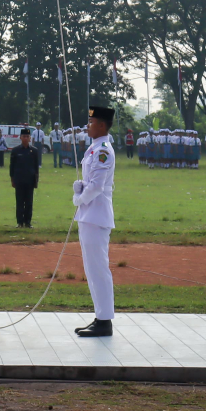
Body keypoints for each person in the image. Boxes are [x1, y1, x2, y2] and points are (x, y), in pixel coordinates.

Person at [73, 105, 116, 337]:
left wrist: (80, 197)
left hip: (96, 214)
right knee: (92, 269)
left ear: (101, 125)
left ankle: (105, 320)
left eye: (91, 123)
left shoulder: (103, 151)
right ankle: (100, 316)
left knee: (99, 269)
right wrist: (81, 191)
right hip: (88, 215)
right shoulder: (94, 148)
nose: (88, 126)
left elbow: (98, 186)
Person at [8, 128, 40, 228]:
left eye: (27, 136)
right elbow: (11, 166)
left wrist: (36, 181)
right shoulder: (15, 151)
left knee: (29, 202)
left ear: (30, 138)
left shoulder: (34, 151)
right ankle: (20, 222)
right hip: (19, 180)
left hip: (30, 180)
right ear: (20, 137)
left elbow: (36, 167)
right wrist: (12, 179)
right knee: (20, 202)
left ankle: (28, 222)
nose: (26, 138)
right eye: (24, 136)